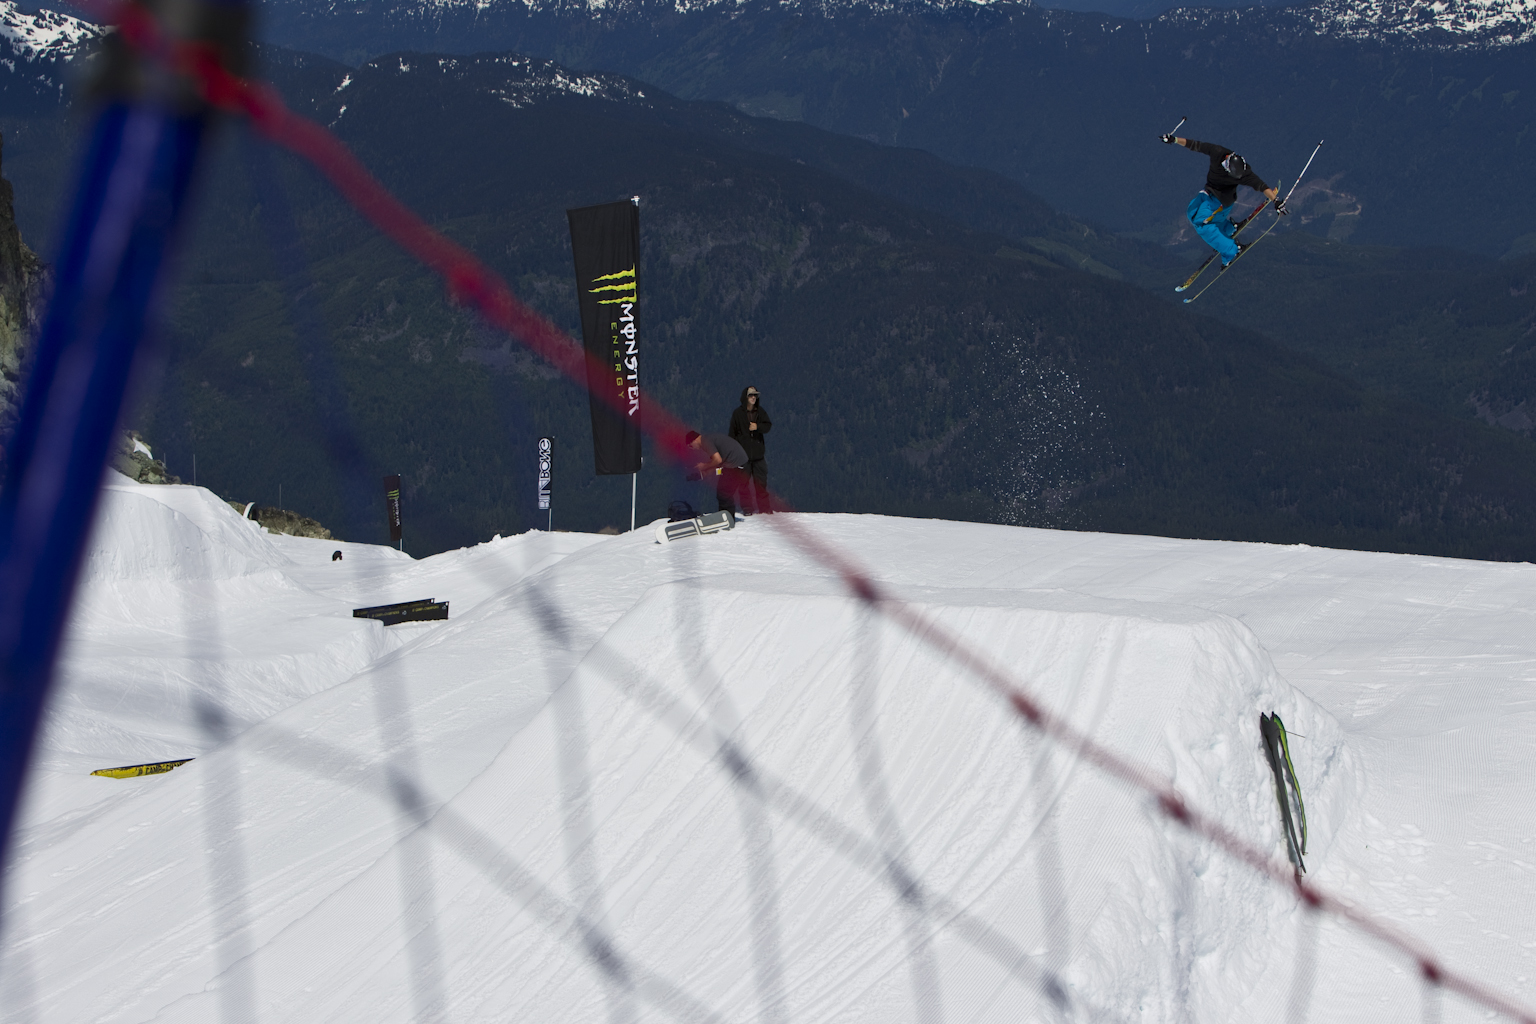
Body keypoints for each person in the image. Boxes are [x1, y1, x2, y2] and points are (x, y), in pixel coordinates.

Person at [1161, 133, 1288, 269]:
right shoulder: (1217, 152)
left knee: (1201, 224)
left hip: (1221, 201)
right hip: (1208, 192)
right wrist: (1174, 139)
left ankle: (1232, 251)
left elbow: (1261, 186)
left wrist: (1276, 201)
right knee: (1191, 213)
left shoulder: (1244, 172)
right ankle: (1227, 229)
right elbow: (1195, 145)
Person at [728, 385, 773, 514]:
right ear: (745, 397)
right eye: (751, 395)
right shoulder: (737, 414)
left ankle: (764, 508)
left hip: (758, 456)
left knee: (761, 484)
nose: (753, 397)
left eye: (755, 395)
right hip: (742, 456)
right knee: (743, 484)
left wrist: (757, 427)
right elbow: (732, 434)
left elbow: (768, 426)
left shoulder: (760, 412)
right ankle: (747, 508)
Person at [685, 430, 750, 515]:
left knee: (723, 493)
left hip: (735, 465)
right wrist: (705, 473)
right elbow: (718, 462)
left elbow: (717, 460)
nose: (692, 448)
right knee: (728, 490)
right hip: (742, 463)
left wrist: (704, 466)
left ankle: (727, 517)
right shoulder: (709, 438)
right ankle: (743, 511)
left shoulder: (705, 442)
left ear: (694, 440)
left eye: (690, 446)